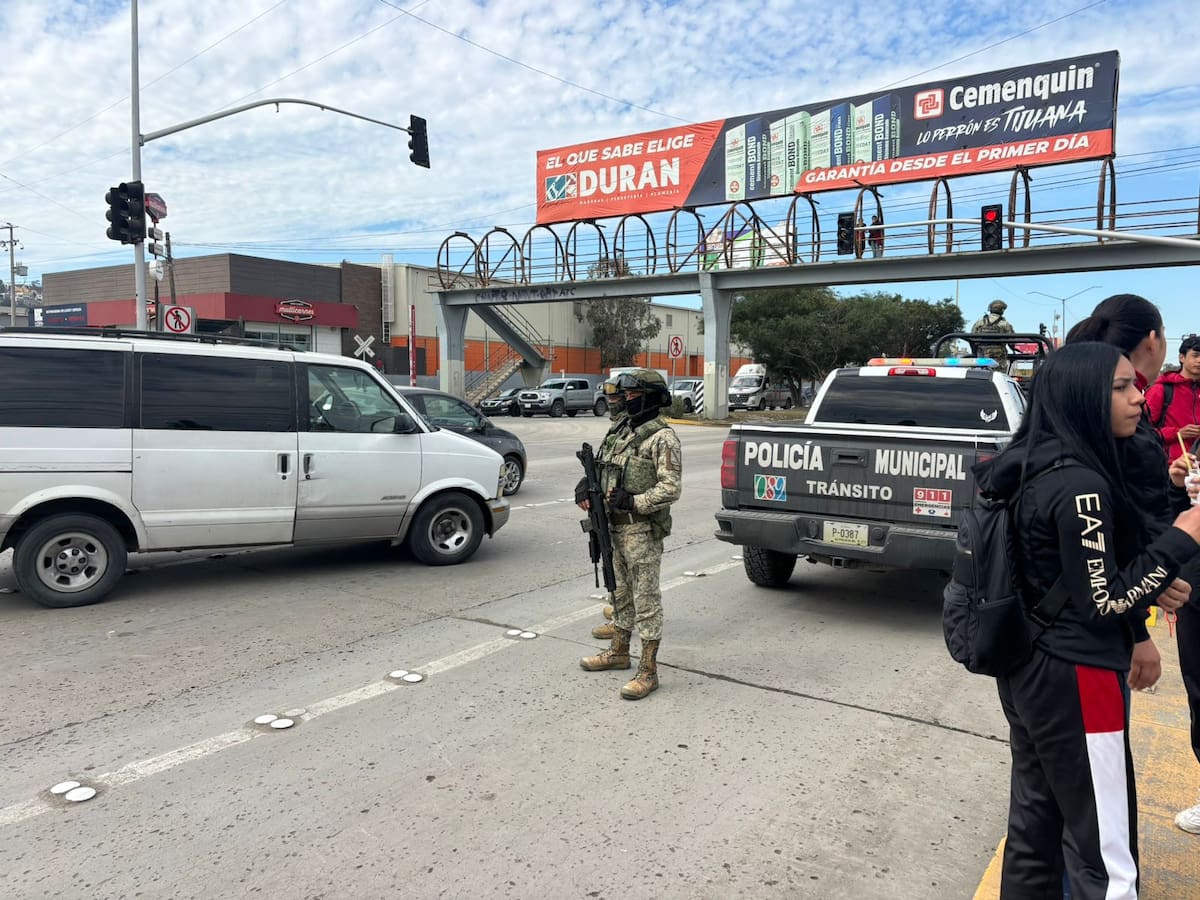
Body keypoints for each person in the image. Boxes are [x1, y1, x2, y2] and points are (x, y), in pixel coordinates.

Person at [975, 342, 1200, 899]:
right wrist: (1183, 537)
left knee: (1035, 827)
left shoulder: (1033, 464)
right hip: (1081, 676)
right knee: (1105, 849)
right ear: (1082, 398)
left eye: (1135, 385)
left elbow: (1075, 574)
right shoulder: (1082, 486)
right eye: (1121, 388)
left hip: (1030, 667)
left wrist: (1154, 571)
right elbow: (1105, 601)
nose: (1139, 397)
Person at [575, 369, 682, 700]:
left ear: (651, 397)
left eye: (634, 394)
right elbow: (605, 467)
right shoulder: (622, 429)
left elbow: (670, 488)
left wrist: (635, 501)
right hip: (613, 527)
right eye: (626, 394)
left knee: (646, 601)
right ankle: (619, 651)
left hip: (641, 530)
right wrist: (587, 485)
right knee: (619, 592)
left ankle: (648, 671)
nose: (627, 400)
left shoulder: (662, 438)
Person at [1145, 334, 1200, 463]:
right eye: (1195, 355)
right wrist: (1177, 433)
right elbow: (1141, 430)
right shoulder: (1161, 390)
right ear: (1182, 357)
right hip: (1169, 466)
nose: (1199, 360)